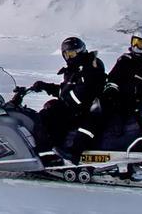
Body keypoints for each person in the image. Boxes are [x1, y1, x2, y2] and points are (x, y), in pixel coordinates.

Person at [30, 36, 106, 164]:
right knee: (49, 110)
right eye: (66, 54)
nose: (69, 57)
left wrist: (64, 102)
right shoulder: (74, 69)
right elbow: (66, 90)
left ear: (80, 51)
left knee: (52, 113)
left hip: (88, 109)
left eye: (72, 53)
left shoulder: (90, 66)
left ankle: (62, 153)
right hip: (78, 107)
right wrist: (46, 87)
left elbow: (83, 93)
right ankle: (48, 148)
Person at [101, 26, 142, 134]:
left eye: (140, 44)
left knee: (136, 117)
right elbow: (113, 77)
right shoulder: (125, 59)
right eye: (134, 41)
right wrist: (111, 89)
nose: (135, 46)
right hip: (119, 99)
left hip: (140, 102)